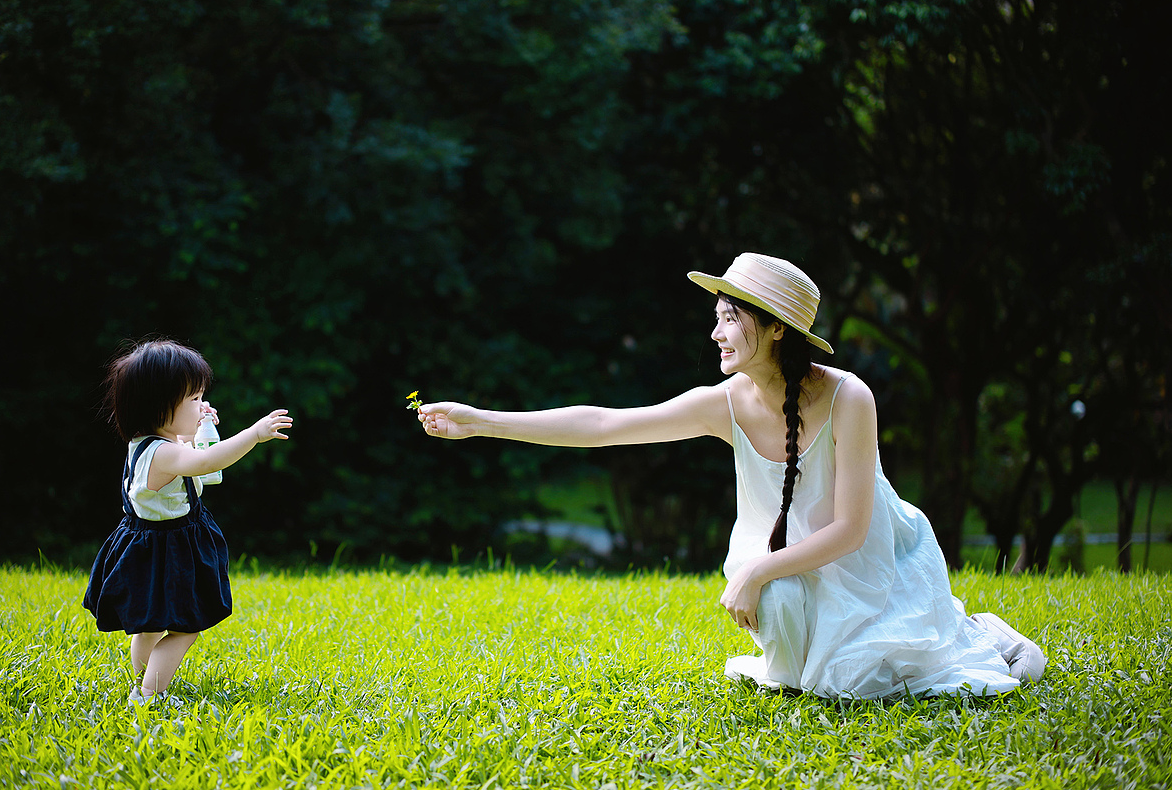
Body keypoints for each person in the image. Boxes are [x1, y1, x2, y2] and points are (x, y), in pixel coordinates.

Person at [417, 253, 1045, 699]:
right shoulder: (724, 402)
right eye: (717, 316)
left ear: (774, 328)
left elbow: (854, 529)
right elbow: (606, 424)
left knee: (857, 681)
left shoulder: (850, 397)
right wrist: (483, 422)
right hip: (781, 556)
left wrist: (755, 570)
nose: (717, 332)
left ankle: (975, 632)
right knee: (795, 639)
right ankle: (812, 615)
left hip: (866, 557)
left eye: (730, 319)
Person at [83, 339, 293, 705]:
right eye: (193, 399)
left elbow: (194, 458)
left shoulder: (150, 442)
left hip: (147, 547)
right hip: (169, 551)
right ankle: (150, 695)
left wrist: (195, 426)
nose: (201, 405)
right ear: (161, 407)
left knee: (149, 627)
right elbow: (207, 464)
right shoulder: (165, 453)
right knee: (186, 625)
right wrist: (254, 434)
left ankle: (142, 682)